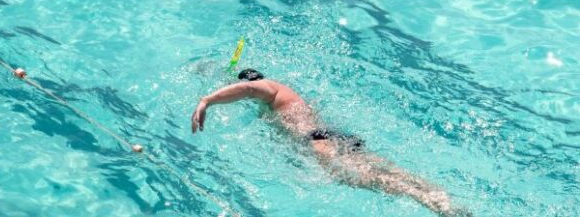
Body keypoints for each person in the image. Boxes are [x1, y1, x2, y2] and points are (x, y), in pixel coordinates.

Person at [191, 69, 471, 217]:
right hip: (331, 134)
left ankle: (429, 201)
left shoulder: (268, 87)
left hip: (319, 141)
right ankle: (440, 198)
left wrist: (207, 101)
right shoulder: (282, 99)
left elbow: (249, 89)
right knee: (383, 168)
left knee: (354, 177)